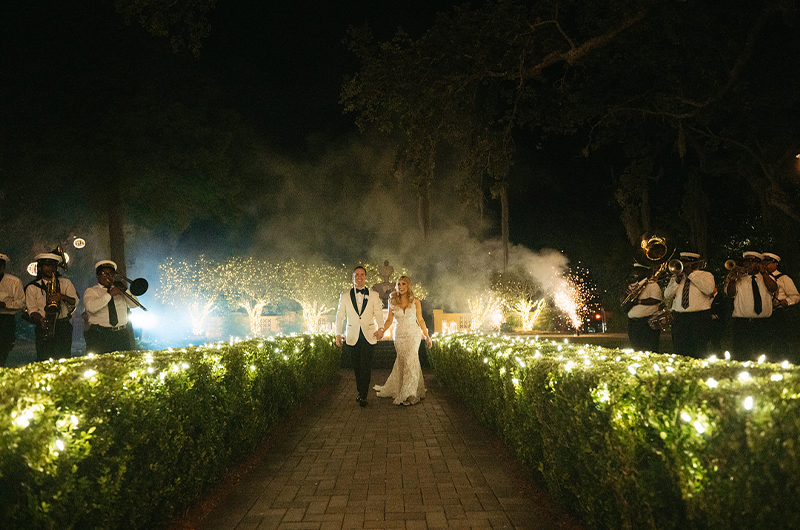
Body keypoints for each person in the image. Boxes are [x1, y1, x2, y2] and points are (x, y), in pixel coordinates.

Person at [373, 275, 432, 406]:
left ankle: (409, 394)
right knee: (403, 361)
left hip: (413, 334)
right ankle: (410, 389)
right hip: (399, 335)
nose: (400, 287)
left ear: (408, 285)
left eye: (403, 284)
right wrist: (381, 330)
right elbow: (389, 320)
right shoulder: (392, 300)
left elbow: (420, 320)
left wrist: (427, 336)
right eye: (399, 284)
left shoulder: (415, 301)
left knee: (411, 359)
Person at [335, 265, 384, 407]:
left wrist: (381, 329)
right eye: (357, 274)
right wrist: (338, 333)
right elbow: (340, 316)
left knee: (365, 366)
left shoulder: (373, 295)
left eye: (362, 274)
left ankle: (363, 395)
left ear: (366, 277)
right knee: (357, 367)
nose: (359, 277)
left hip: (369, 335)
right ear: (353, 277)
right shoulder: (344, 296)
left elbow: (379, 313)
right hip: (352, 336)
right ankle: (360, 391)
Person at [24, 252, 78, 362]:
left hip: (63, 325)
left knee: (64, 359)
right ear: (40, 268)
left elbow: (74, 301)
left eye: (53, 266)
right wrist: (40, 319)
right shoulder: (32, 287)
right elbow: (32, 310)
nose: (51, 269)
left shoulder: (65, 283)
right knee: (44, 359)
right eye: (47, 266)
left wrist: (62, 297)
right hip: (44, 325)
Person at [724, 251, 777, 361]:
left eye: (751, 262)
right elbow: (730, 293)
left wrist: (764, 273)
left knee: (764, 356)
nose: (747, 264)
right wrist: (733, 279)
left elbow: (773, 288)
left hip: (763, 324)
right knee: (741, 357)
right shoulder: (739, 279)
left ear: (758, 264)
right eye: (745, 262)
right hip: (742, 324)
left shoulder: (768, 278)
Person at [663, 252, 716, 358]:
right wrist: (676, 282)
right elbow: (667, 295)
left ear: (694, 263)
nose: (682, 265)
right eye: (681, 262)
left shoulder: (706, 275)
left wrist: (691, 275)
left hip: (699, 318)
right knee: (679, 350)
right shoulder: (676, 277)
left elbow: (709, 290)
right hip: (680, 318)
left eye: (685, 262)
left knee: (699, 350)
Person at [83, 260, 140, 354]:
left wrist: (125, 290)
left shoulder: (120, 291)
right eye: (104, 274)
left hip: (121, 334)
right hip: (100, 335)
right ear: (98, 277)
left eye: (111, 274)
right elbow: (91, 308)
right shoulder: (92, 291)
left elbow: (134, 304)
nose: (109, 276)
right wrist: (109, 295)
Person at [623, 263, 662, 352]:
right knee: (636, 348)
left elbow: (656, 299)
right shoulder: (633, 285)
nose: (636, 273)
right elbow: (624, 299)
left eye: (639, 271)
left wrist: (639, 301)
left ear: (645, 272)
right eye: (635, 270)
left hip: (647, 323)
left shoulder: (652, 284)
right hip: (633, 323)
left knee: (650, 349)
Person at [0, 253, 26, 366]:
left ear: (4, 266)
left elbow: (21, 303)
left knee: (4, 350)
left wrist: (5, 305)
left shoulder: (14, 281)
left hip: (6, 320)